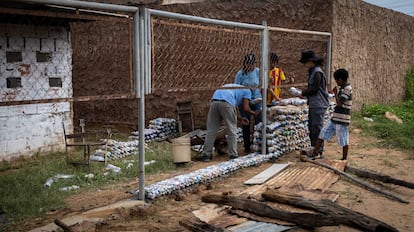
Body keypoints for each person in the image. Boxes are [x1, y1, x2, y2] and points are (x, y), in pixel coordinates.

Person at [201, 84, 260, 162]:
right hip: (227, 102)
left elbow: (229, 113)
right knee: (232, 130)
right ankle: (233, 155)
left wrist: (240, 119)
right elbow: (245, 108)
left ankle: (206, 155)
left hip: (214, 102)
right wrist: (254, 113)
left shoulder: (234, 87)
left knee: (211, 130)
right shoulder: (247, 91)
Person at [312, 69, 352, 160]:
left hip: (342, 119)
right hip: (335, 118)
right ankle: (315, 153)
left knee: (344, 139)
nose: (336, 82)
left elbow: (340, 103)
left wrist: (335, 94)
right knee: (323, 133)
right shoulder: (343, 88)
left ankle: (344, 158)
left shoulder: (347, 89)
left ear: (340, 80)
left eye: (337, 80)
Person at [299, 50, 329, 157]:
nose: (304, 65)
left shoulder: (317, 72)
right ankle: (314, 149)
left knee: (316, 128)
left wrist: (302, 93)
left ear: (310, 61)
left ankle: (318, 151)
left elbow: (315, 89)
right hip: (314, 104)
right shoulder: (313, 71)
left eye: (305, 62)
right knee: (312, 128)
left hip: (318, 104)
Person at [234, 53, 262, 154]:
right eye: (248, 64)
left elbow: (262, 85)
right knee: (246, 122)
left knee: (259, 121)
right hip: (244, 100)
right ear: (245, 64)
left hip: (256, 99)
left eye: (252, 64)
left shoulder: (258, 72)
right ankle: (247, 146)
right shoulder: (240, 74)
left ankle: (259, 144)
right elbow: (236, 88)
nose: (251, 66)